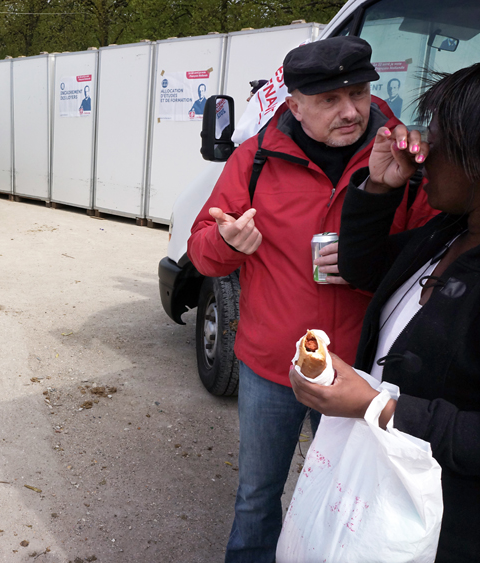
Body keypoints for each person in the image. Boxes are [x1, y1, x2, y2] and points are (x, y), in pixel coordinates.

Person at [186, 36, 436, 562]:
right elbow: (202, 253)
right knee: (256, 498)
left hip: (360, 374)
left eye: (359, 94)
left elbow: (433, 261)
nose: (350, 111)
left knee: (354, 501)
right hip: (271, 366)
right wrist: (227, 244)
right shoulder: (255, 159)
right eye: (329, 100)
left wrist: (371, 260)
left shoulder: (402, 159)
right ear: (294, 105)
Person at [290, 62, 480, 562]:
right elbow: (361, 267)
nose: (423, 153)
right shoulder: (447, 233)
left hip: (445, 526)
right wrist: (380, 187)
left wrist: (380, 407)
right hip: (380, 493)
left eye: (437, 140)